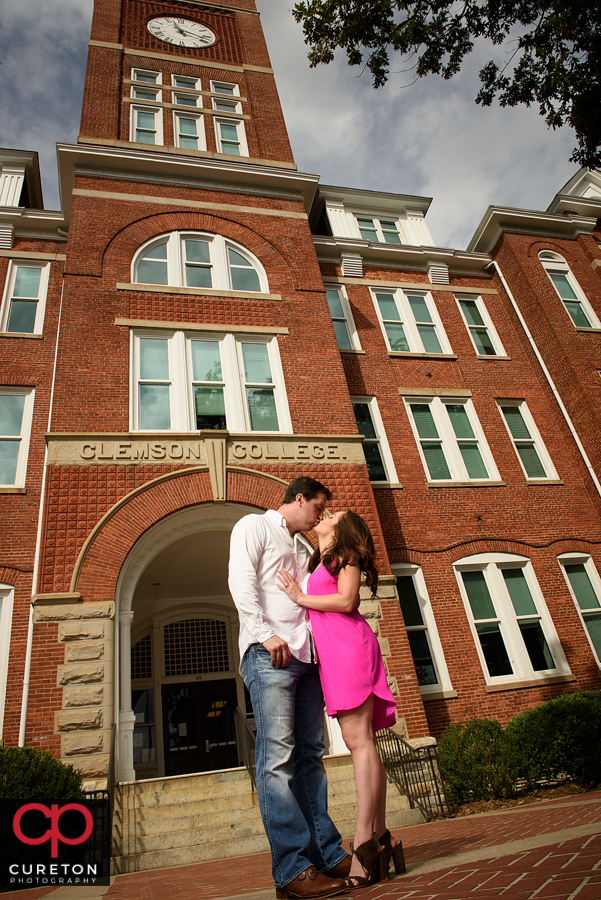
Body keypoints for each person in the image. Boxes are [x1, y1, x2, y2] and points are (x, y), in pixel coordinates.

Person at [228, 477, 350, 900]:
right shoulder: (253, 527)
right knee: (276, 759)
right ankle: (292, 870)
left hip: (307, 659)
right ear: (299, 499)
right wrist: (264, 634)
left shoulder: (302, 548)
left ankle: (328, 855)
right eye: (318, 507)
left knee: (310, 757)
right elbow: (241, 583)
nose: (319, 516)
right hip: (271, 655)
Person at [277, 509, 406, 888]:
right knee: (361, 743)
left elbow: (348, 601)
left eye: (333, 514)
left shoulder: (346, 555)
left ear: (344, 528)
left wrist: (300, 597)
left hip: (349, 649)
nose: (325, 514)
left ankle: (365, 841)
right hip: (334, 654)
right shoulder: (322, 559)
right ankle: (384, 838)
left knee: (359, 743)